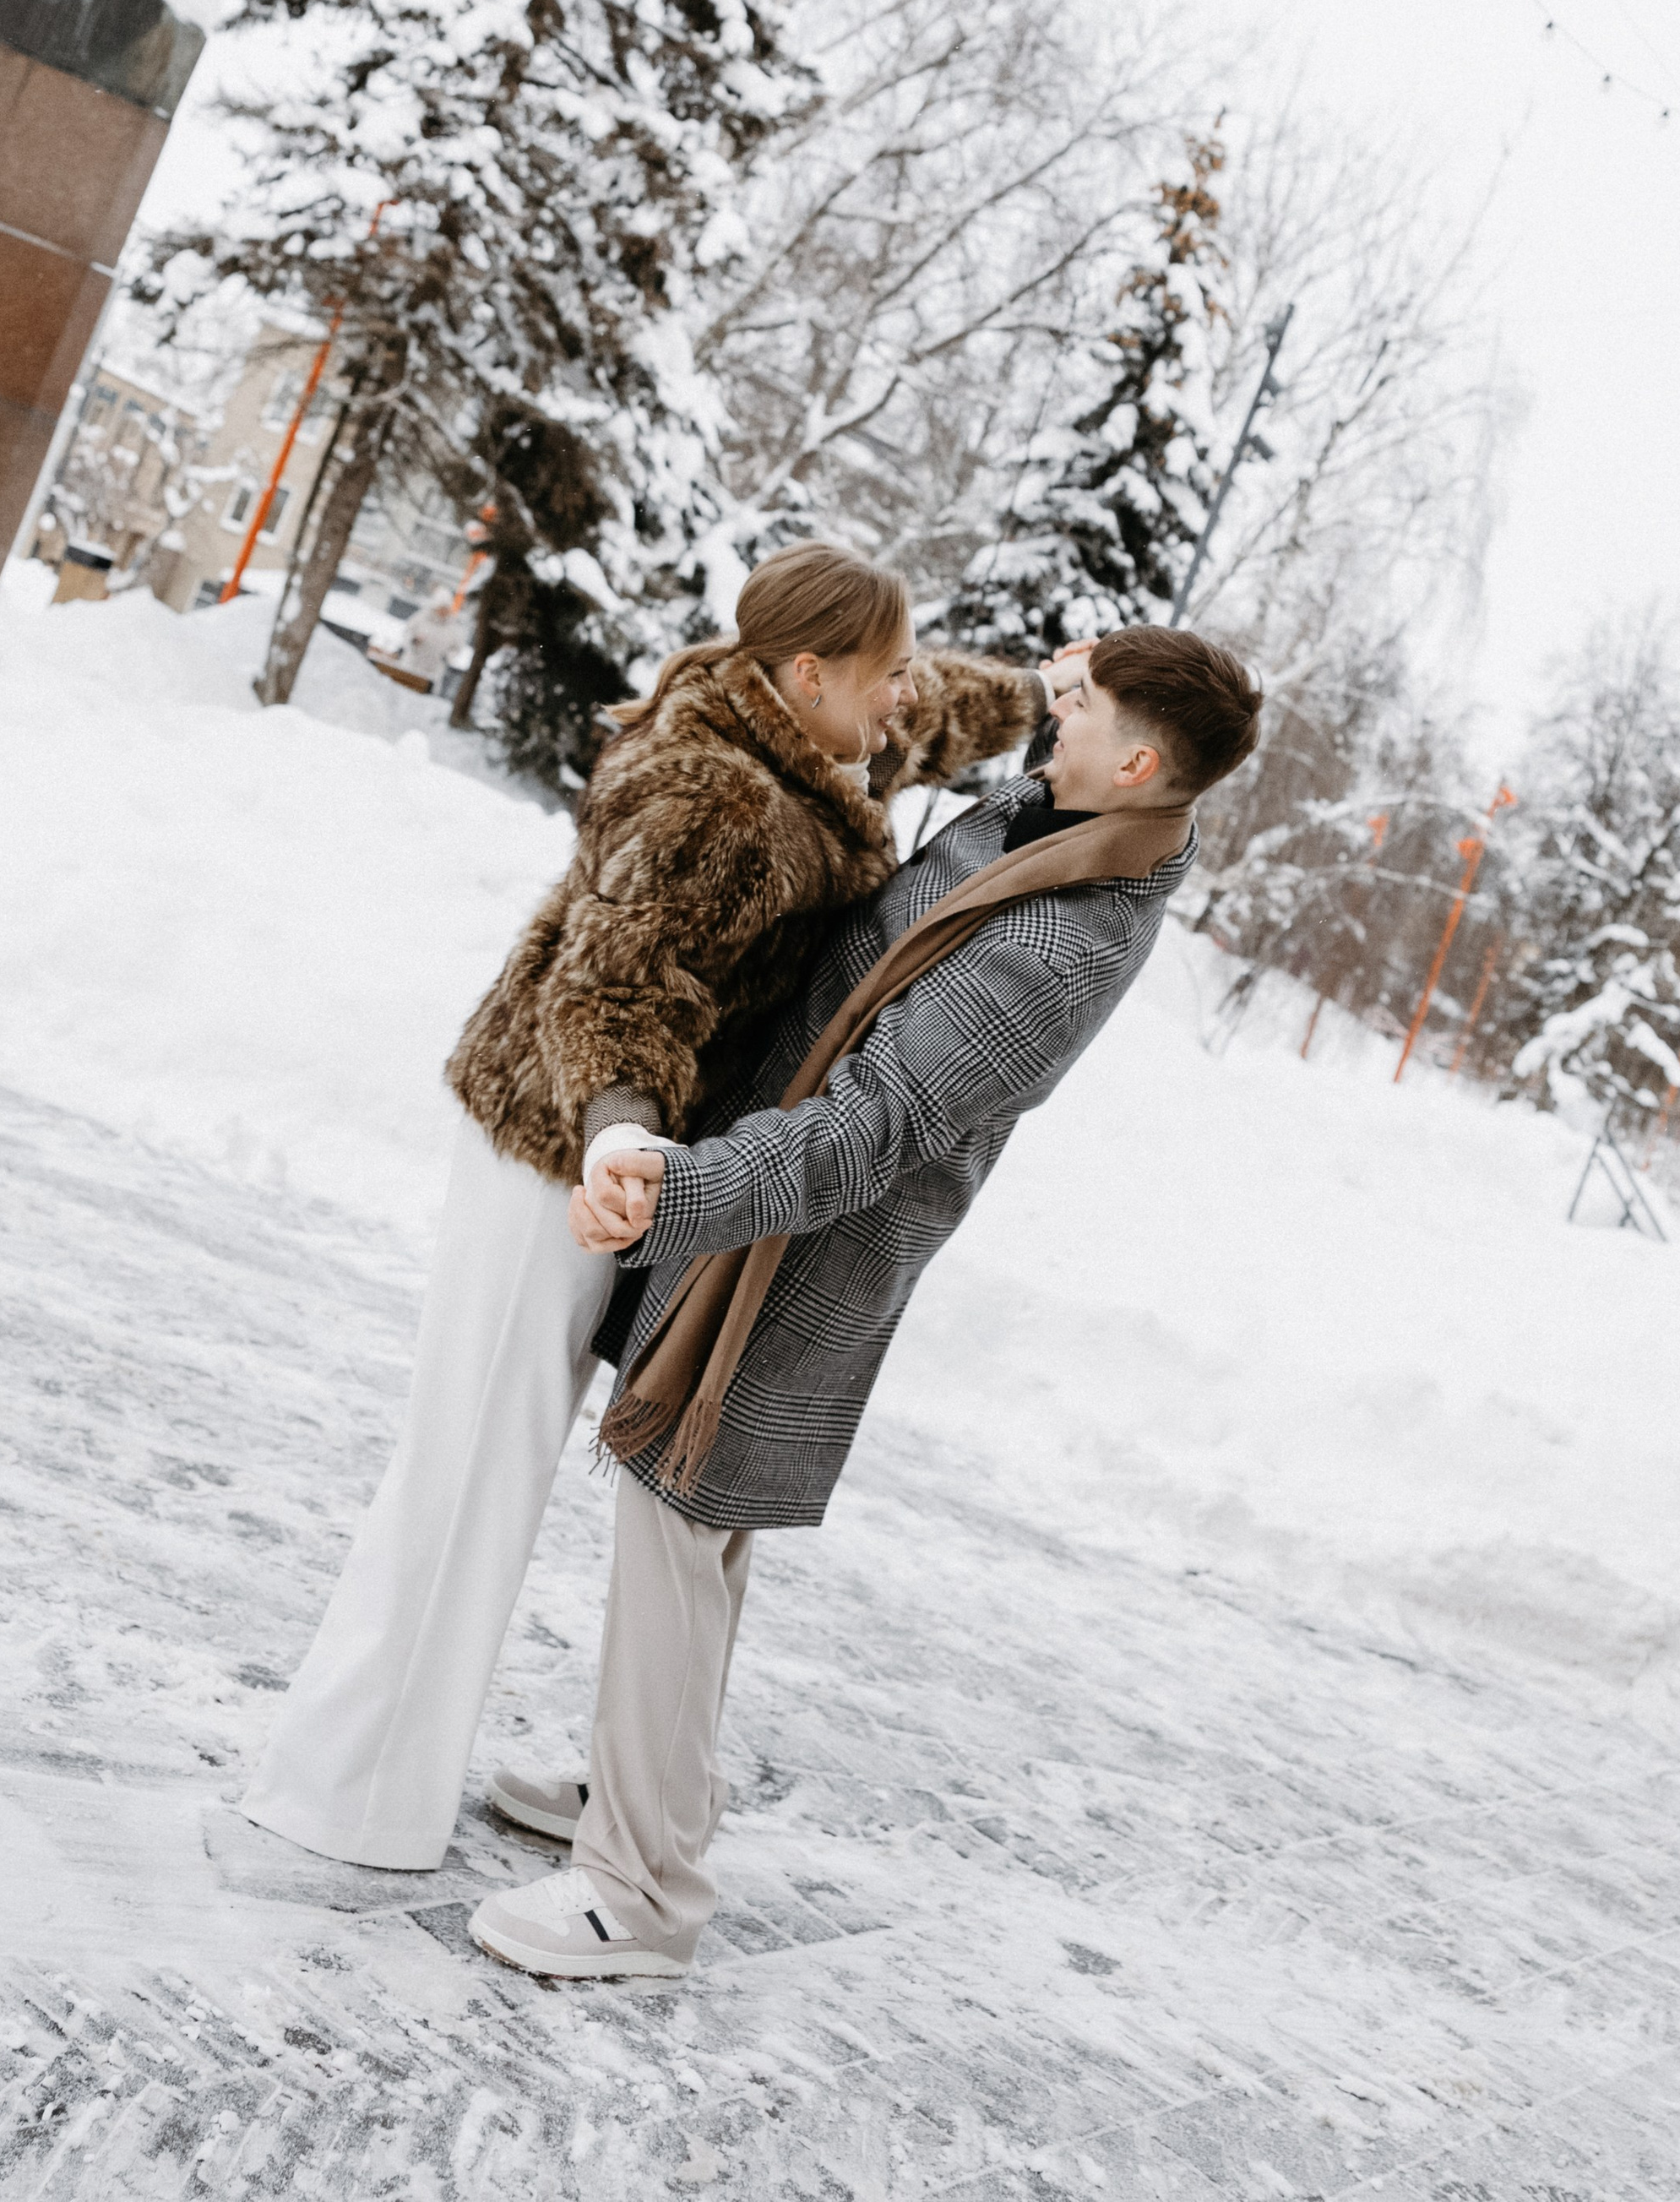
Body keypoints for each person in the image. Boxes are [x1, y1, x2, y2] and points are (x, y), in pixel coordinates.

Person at [465, 623, 1263, 1982]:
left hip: (804, 1239)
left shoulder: (1063, 942)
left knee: (678, 1516)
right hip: (767, 1202)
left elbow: (868, 1134)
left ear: (1137, 761)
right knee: (696, 1530)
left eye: (1079, 708)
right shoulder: (1060, 821)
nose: (1047, 715)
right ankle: (639, 1796)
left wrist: (680, 1190)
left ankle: (641, 1897)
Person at [240, 545, 1049, 1873]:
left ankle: (374, 1774)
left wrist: (1049, 697)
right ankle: (343, 1793)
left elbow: (945, 706)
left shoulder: (807, 731)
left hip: (624, 1162)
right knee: (475, 1459)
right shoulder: (713, 796)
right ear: (809, 673)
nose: (911, 698)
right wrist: (622, 1136)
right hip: (558, 1143)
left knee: (497, 1453)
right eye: (889, 671)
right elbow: (614, 990)